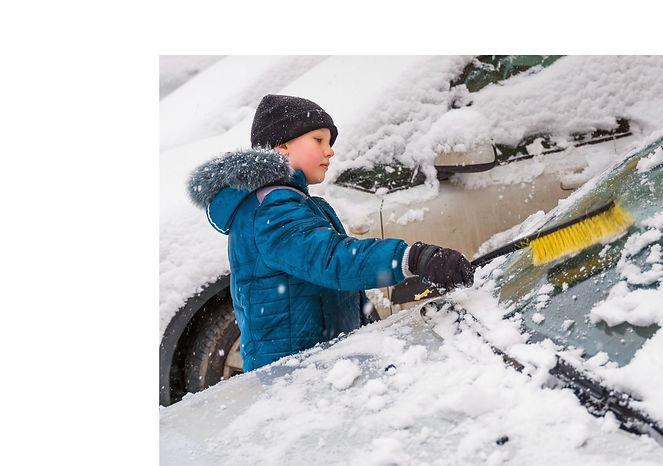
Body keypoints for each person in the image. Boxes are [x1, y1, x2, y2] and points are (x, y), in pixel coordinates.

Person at [187, 94, 474, 373]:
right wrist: (412, 257)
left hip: (316, 363)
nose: (330, 150)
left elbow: (331, 281)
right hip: (293, 374)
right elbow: (331, 259)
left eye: (330, 142)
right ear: (282, 148)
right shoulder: (272, 208)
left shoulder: (287, 202)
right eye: (318, 140)